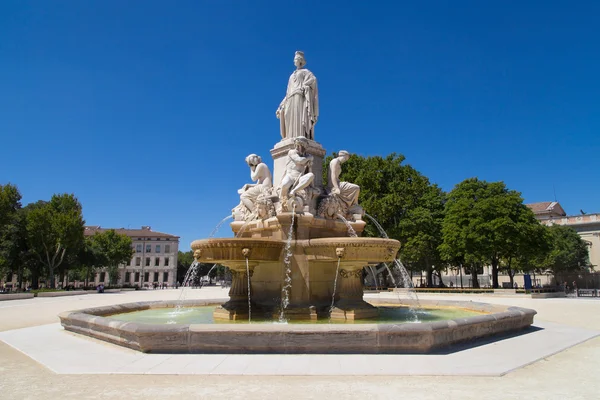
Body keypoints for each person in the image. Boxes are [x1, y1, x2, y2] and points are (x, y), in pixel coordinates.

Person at [276, 51, 319, 140]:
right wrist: (281, 104)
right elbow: (287, 92)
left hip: (300, 96)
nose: (294, 61)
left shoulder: (306, 72)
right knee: (288, 117)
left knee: (299, 117)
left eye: (295, 59)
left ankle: (301, 137)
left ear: (300, 60)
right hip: (290, 98)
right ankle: (290, 136)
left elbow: (313, 79)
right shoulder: (291, 75)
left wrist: (304, 85)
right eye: (294, 59)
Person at [279, 136, 315, 202]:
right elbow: (299, 160)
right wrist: (309, 158)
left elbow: (309, 170)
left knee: (311, 175)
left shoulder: (307, 156)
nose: (299, 148)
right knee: (284, 184)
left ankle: (294, 190)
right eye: (297, 145)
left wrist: (310, 166)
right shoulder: (291, 152)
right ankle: (282, 199)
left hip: (300, 177)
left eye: (301, 146)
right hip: (290, 176)